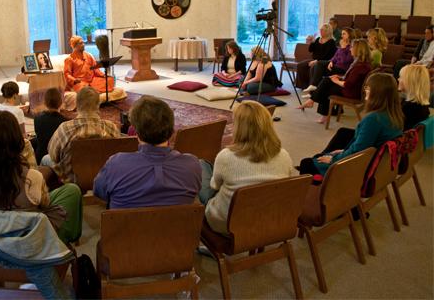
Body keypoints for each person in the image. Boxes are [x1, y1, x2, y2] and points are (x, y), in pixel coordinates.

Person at [0, 110, 82, 244]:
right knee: (72, 191)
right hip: (28, 246)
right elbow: (45, 205)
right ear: (17, 142)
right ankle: (62, 244)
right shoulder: (32, 177)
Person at [200, 101, 296, 234]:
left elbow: (214, 186)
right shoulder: (284, 155)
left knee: (202, 166)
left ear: (239, 128)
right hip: (268, 218)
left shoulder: (226, 156)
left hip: (227, 224)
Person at [93, 96, 201, 209]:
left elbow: (99, 193)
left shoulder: (115, 164)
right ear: (172, 131)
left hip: (127, 226)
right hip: (177, 226)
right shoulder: (192, 165)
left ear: (136, 132)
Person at [300, 73, 404, 176]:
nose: (365, 90)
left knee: (306, 163)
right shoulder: (395, 114)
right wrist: (344, 151)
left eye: (368, 87)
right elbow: (364, 145)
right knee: (328, 150)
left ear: (377, 92)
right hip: (376, 163)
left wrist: (335, 159)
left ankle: (320, 186)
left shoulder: (374, 119)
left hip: (359, 166)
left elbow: (358, 151)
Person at [44, 86, 120, 183]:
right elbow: (118, 158)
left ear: (76, 104)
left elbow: (53, 155)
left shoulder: (65, 128)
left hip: (72, 182)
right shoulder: (111, 128)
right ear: (98, 105)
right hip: (104, 181)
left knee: (45, 158)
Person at [299, 39, 373, 124]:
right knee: (326, 81)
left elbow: (348, 84)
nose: (350, 49)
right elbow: (352, 79)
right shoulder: (361, 63)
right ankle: (313, 102)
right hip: (353, 89)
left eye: (352, 47)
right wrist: (339, 77)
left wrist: (336, 81)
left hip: (351, 92)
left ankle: (313, 102)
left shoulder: (360, 66)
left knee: (326, 86)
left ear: (358, 50)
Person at [305, 27, 357, 91]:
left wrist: (343, 48)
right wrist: (331, 61)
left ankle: (314, 86)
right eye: (341, 34)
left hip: (342, 68)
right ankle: (312, 89)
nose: (341, 36)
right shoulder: (342, 43)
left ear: (349, 35)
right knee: (315, 66)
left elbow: (344, 61)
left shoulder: (352, 46)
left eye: (344, 34)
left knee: (319, 64)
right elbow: (335, 56)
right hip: (335, 65)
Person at [296, 23, 337, 90]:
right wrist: (312, 41)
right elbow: (310, 50)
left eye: (322, 30)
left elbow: (327, 55)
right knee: (300, 65)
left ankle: (312, 86)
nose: (320, 31)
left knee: (313, 66)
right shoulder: (318, 39)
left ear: (327, 31)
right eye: (320, 30)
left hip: (323, 61)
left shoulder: (331, 42)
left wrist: (317, 61)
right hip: (314, 59)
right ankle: (303, 86)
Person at [33, 88, 68, 165]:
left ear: (45, 103)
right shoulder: (65, 122)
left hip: (40, 157)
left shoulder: (37, 118)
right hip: (58, 159)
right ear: (60, 102)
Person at [398, 64, 431, 130]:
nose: (398, 79)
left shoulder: (409, 108)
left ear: (410, 82)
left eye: (401, 77)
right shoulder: (421, 104)